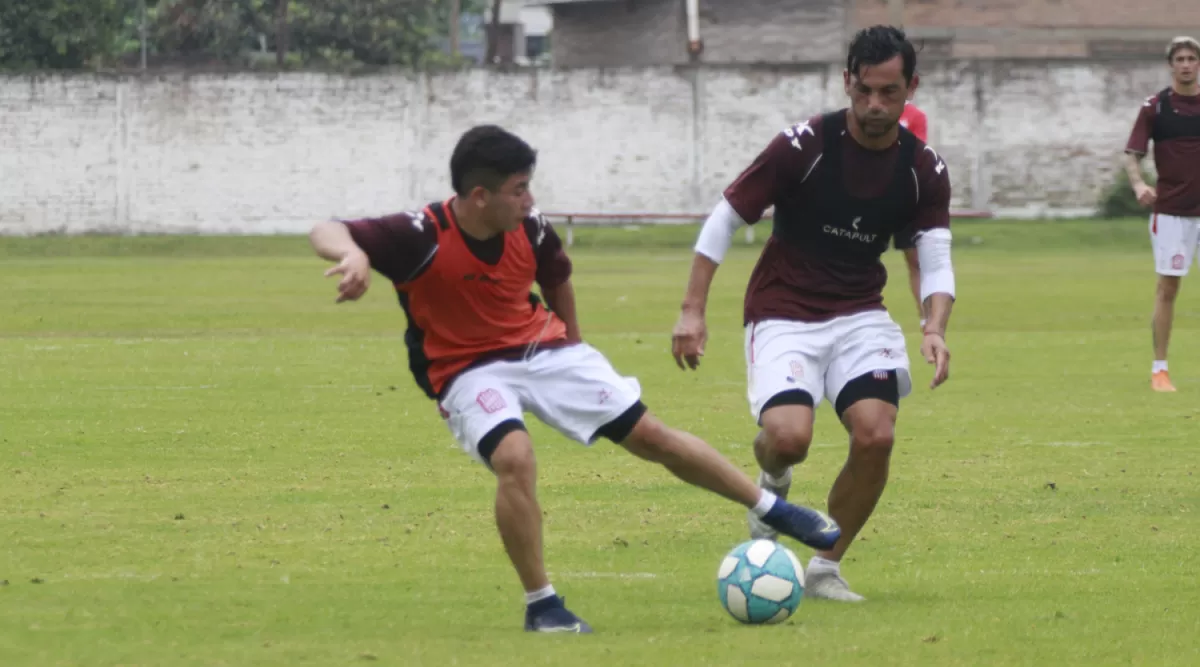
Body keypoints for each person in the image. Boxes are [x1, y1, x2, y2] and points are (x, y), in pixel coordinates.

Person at [309, 125, 841, 634]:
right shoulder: (418, 234)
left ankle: (773, 508)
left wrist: (577, 349)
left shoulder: (532, 228)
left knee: (651, 436)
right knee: (514, 457)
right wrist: (354, 253)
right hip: (464, 368)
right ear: (478, 196)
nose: (529, 199)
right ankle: (542, 606)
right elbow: (325, 229)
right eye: (518, 190)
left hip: (544, 348)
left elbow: (558, 280)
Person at [671, 25, 955, 602]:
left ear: (912, 89)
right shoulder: (802, 146)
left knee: (876, 436)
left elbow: (935, 255)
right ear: (847, 82)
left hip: (859, 313)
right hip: (783, 309)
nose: (875, 106)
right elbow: (724, 219)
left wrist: (934, 327)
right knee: (789, 438)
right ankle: (772, 481)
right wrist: (691, 312)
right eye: (865, 91)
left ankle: (826, 566)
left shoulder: (923, 169)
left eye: (890, 93)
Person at [1124, 35, 1200, 393]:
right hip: (1171, 212)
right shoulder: (1155, 107)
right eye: (1180, 58)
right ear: (1171, 64)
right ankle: (1160, 369)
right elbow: (1132, 154)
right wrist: (1139, 185)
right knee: (1168, 288)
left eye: (1192, 58)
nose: (1186, 64)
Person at [898, 96, 930, 327]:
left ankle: (925, 317)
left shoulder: (914, 116)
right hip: (868, 195)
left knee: (915, 260)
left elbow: (916, 153)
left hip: (903, 197)